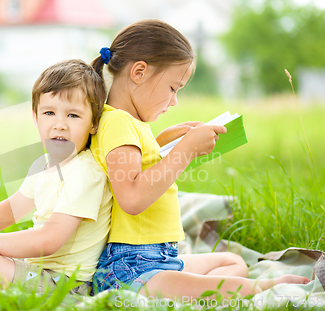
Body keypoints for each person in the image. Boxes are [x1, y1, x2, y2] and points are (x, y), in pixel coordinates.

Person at [89, 19, 309, 299]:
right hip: (132, 269)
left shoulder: (127, 122)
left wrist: (164, 142)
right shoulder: (118, 122)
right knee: (215, 283)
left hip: (158, 259)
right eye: (173, 88)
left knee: (233, 263)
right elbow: (131, 198)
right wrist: (186, 151)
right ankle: (256, 289)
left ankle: (200, 290)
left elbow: (131, 167)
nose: (174, 101)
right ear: (139, 72)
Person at [0, 59, 112, 295]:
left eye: (73, 115)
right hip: (36, 271)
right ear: (36, 118)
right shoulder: (43, 164)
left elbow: (49, 240)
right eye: (49, 113)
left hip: (66, 285)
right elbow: (11, 210)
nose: (59, 125)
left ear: (94, 123)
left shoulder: (85, 172)